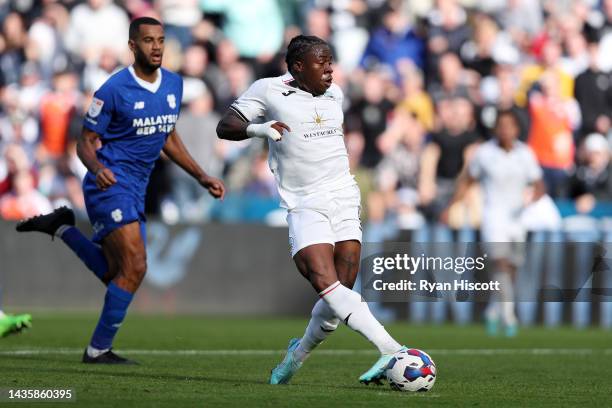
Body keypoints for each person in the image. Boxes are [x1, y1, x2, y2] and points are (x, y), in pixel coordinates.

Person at [16, 17, 225, 364]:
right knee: (137, 267)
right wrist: (97, 169)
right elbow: (84, 143)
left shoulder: (174, 84)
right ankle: (97, 350)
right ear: (132, 46)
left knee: (119, 274)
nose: (156, 47)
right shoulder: (112, 90)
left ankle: (62, 227)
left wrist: (200, 175)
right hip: (109, 184)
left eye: (160, 40)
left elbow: (168, 136)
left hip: (137, 187)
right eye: (147, 40)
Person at [216, 35, 404, 386]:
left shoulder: (336, 94)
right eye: (322, 62)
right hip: (304, 201)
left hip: (344, 195)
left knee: (339, 296)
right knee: (324, 281)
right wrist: (259, 129)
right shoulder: (268, 90)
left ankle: (296, 355)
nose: (330, 68)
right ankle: (390, 348)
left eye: (331, 60)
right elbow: (224, 126)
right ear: (298, 66)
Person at [443, 110, 545, 336]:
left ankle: (493, 309)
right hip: (493, 216)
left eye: (509, 126)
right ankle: (509, 316)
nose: (505, 130)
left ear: (516, 129)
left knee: (513, 266)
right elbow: (468, 180)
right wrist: (452, 205)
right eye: (501, 125)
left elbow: (538, 183)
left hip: (518, 217)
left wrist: (534, 196)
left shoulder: (525, 153)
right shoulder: (485, 153)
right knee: (500, 262)